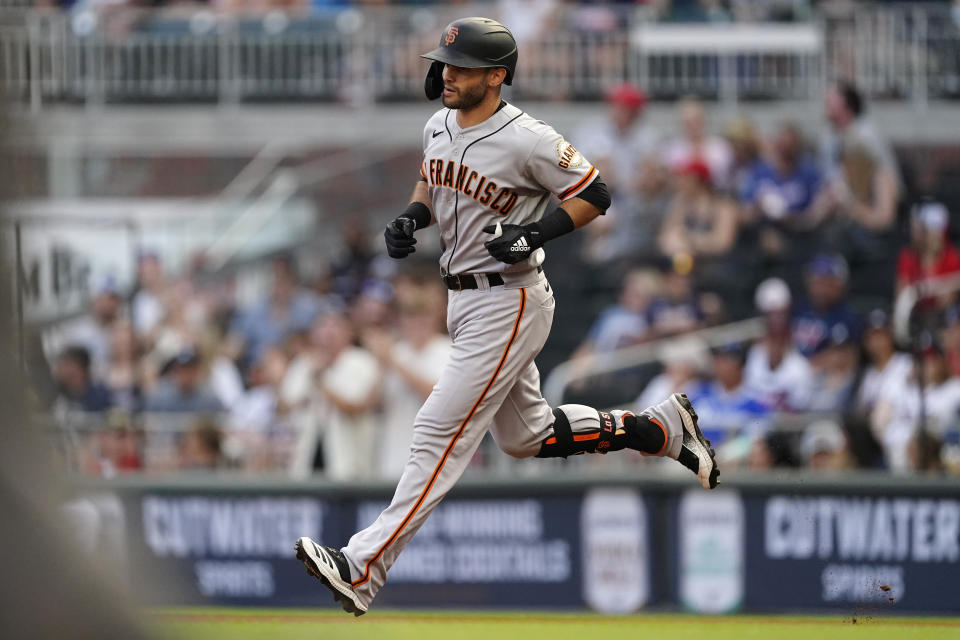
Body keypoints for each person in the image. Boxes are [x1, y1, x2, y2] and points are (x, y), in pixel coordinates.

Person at [294, 17, 719, 617]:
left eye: (461, 66)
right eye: (444, 62)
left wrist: (536, 230)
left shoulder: (529, 138)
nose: (446, 73)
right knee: (526, 438)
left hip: (510, 297)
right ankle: (656, 430)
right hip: (462, 299)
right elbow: (431, 179)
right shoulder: (437, 123)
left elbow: (595, 193)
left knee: (437, 429)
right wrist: (413, 218)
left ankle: (361, 567)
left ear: (497, 76)